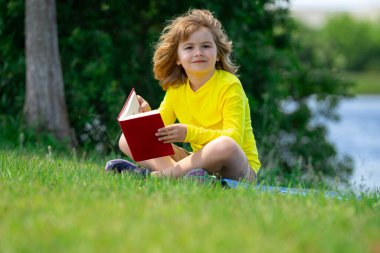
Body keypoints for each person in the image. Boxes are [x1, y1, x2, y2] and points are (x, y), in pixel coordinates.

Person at [106, 9, 261, 183]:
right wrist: (146, 116)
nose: (198, 52)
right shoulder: (177, 88)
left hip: (237, 168)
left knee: (225, 144)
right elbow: (159, 132)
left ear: (217, 54)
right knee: (128, 138)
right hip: (197, 165)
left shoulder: (230, 85)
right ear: (177, 58)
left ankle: (158, 177)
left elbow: (234, 138)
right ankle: (178, 177)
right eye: (189, 47)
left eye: (206, 46)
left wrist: (189, 133)